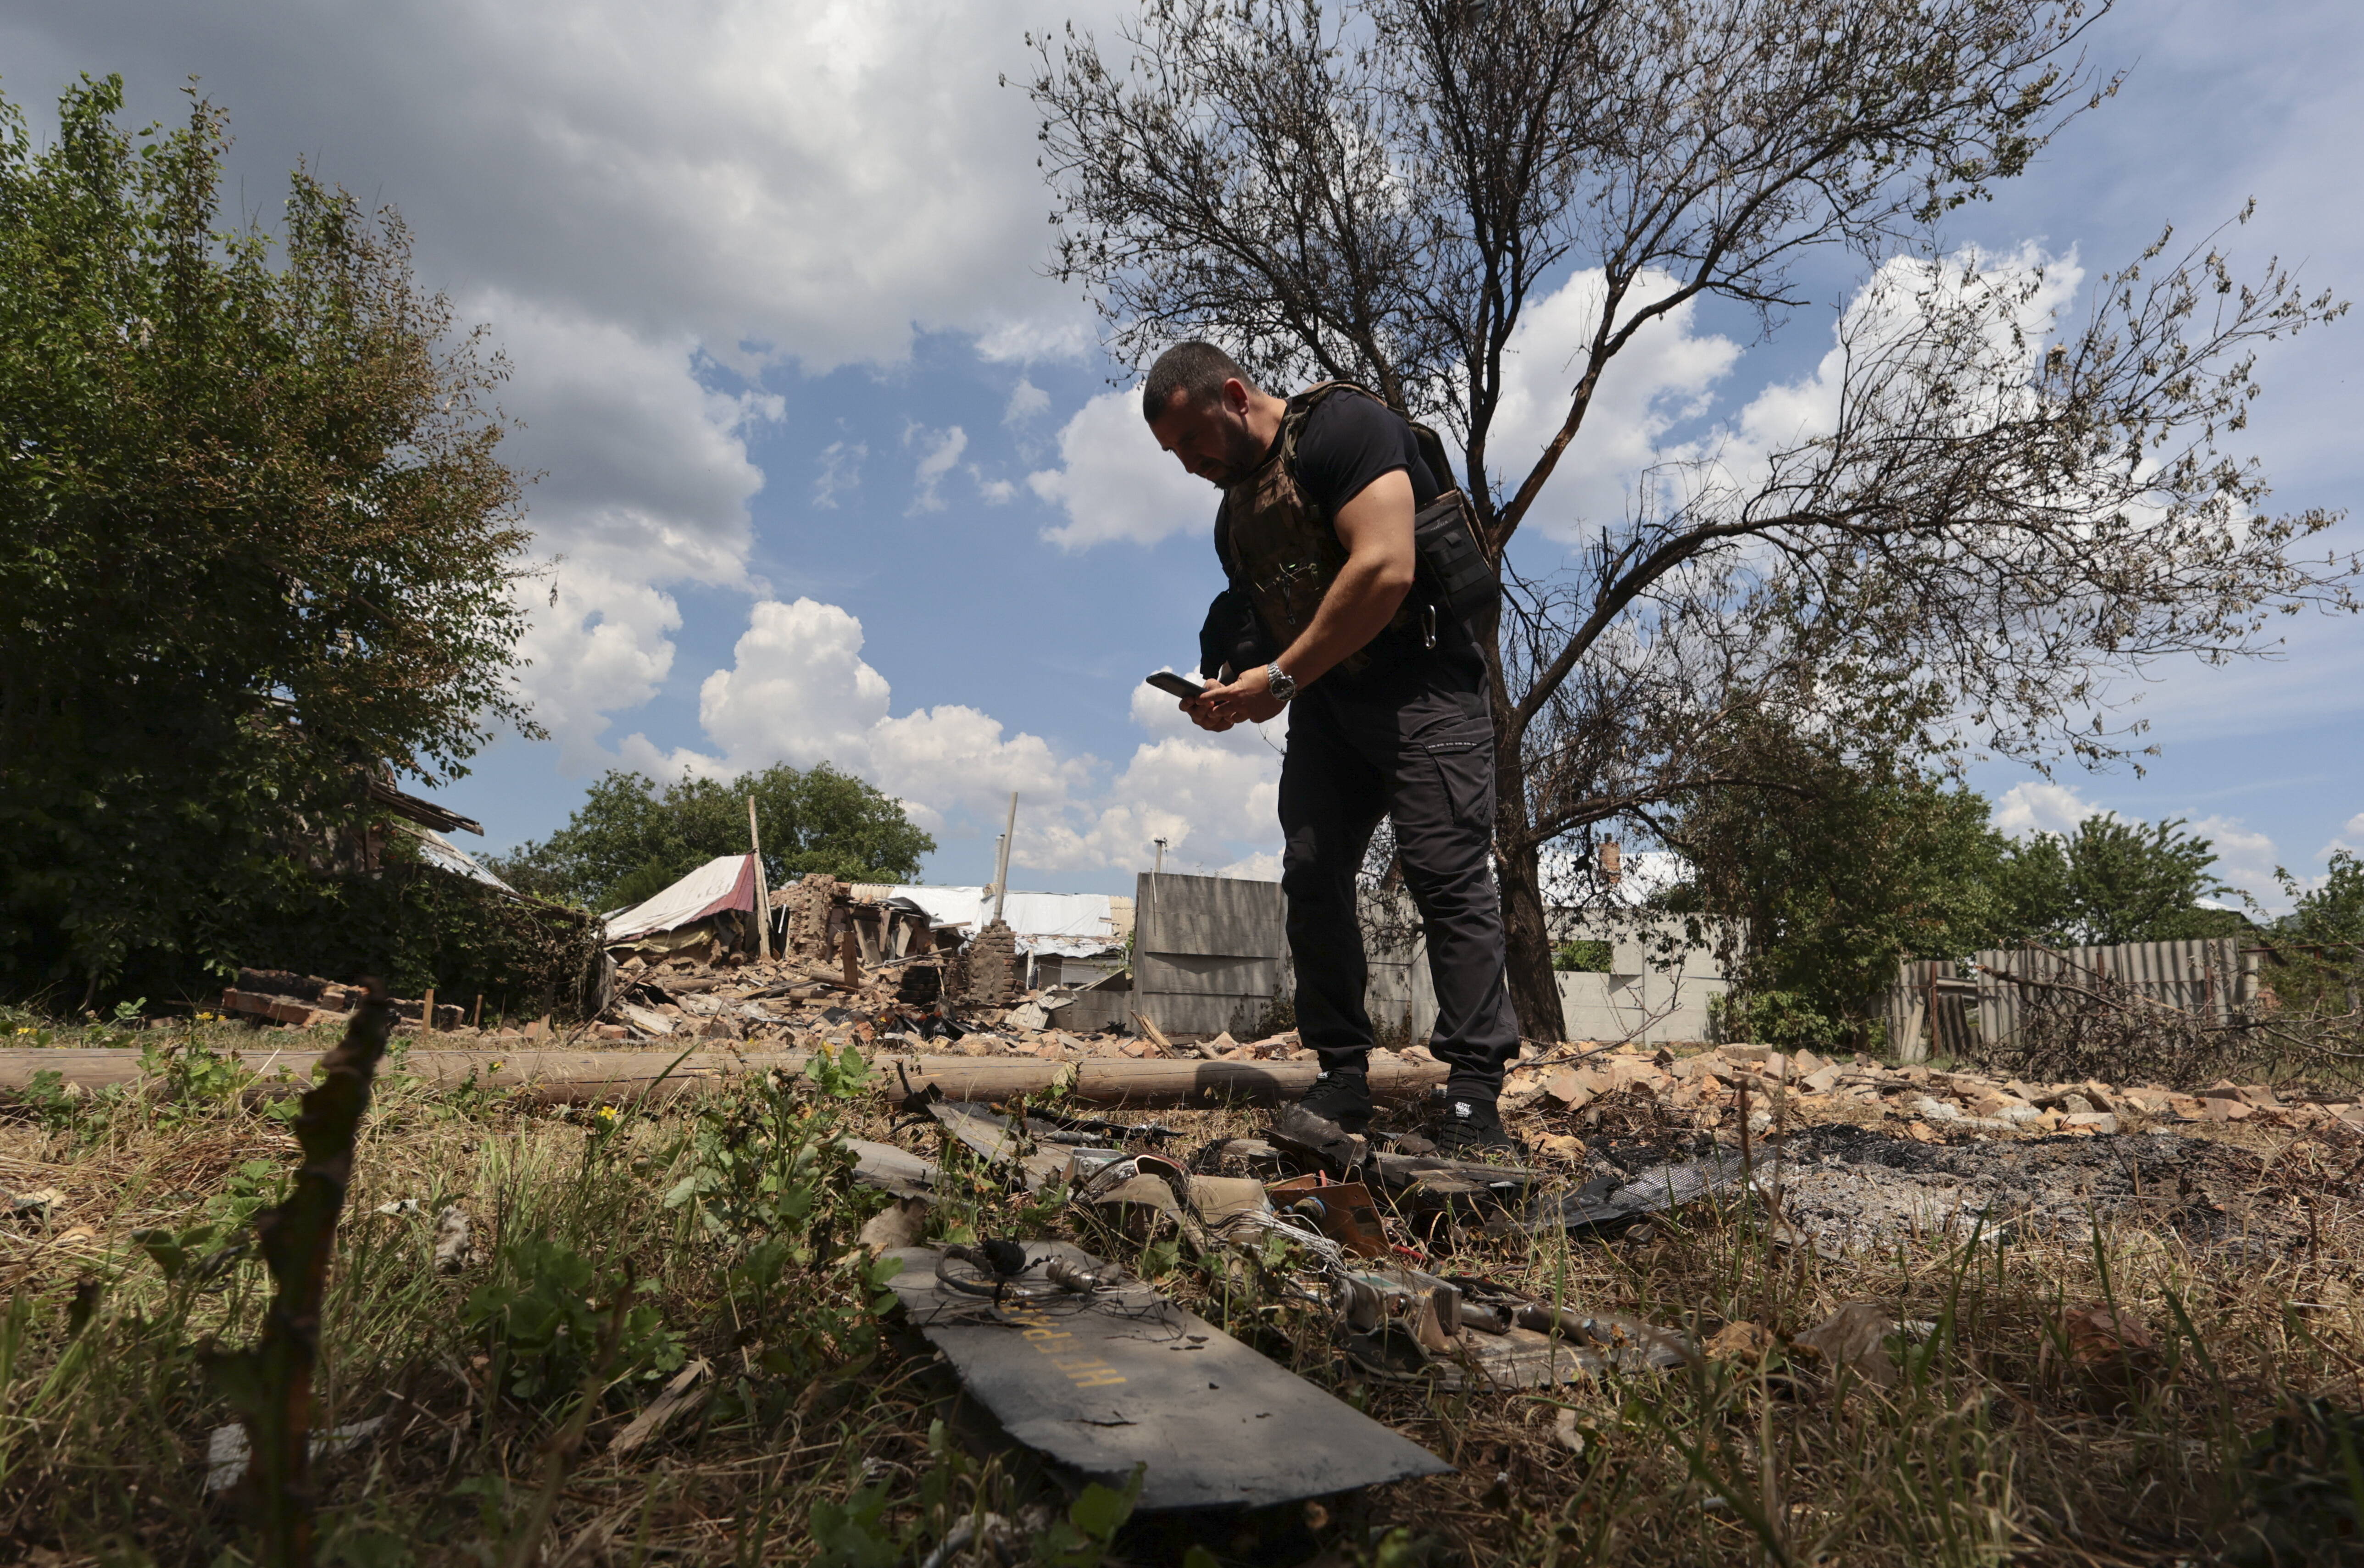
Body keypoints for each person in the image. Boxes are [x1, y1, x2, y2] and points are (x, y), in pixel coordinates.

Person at [1142, 341, 1523, 1156]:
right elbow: (1275, 620)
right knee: (1312, 872)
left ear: (1234, 395)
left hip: (1423, 685)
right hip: (1329, 703)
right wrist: (1230, 689)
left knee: (1443, 871)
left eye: (1191, 442)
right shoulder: (1233, 513)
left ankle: (1472, 1098)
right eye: (1173, 456)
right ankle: (1343, 1074)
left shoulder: (1345, 428)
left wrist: (1274, 683)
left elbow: (1385, 568)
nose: (1189, 466)